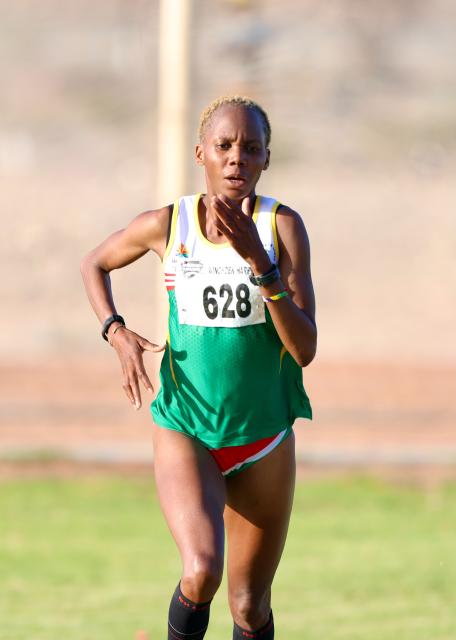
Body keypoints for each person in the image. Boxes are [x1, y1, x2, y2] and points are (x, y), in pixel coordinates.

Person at [80, 95, 317, 639]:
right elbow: (94, 262)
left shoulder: (282, 228)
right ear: (201, 154)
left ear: (265, 160)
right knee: (200, 570)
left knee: (249, 607)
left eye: (251, 148)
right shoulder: (170, 223)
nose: (237, 158)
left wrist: (262, 266)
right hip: (187, 427)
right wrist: (115, 332)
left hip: (263, 438)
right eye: (225, 146)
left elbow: (304, 349)